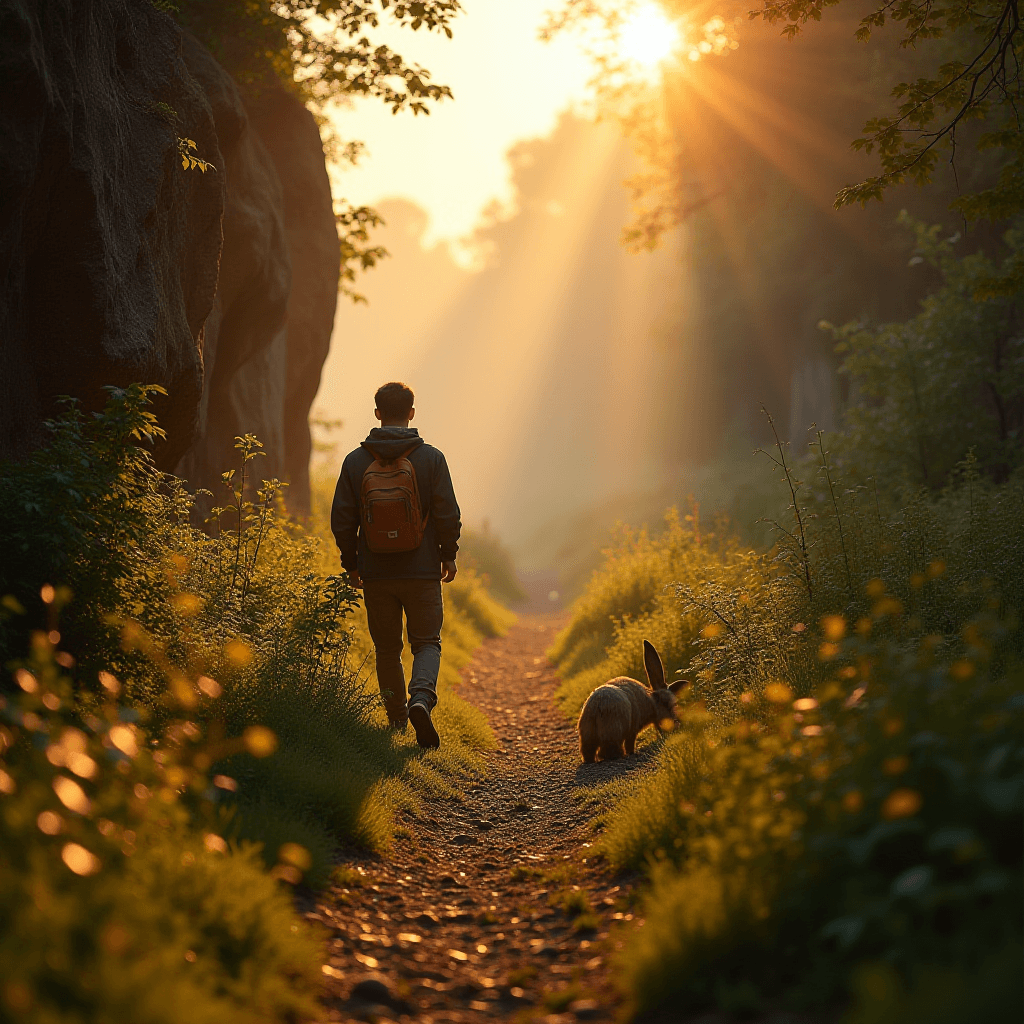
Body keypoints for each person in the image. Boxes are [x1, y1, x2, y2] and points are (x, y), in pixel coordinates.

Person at [331, 382, 461, 749]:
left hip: (376, 572)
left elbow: (342, 519)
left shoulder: (356, 462)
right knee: (426, 643)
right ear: (412, 413)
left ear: (376, 414)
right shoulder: (431, 459)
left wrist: (352, 564)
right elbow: (448, 512)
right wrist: (447, 554)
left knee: (387, 649)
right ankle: (421, 699)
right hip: (421, 571)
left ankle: (397, 720)